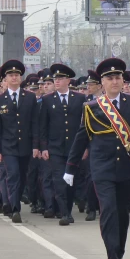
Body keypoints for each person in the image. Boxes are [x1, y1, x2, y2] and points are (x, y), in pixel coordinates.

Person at [64, 58, 130, 259]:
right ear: (102, 82)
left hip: (126, 168)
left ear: (123, 80)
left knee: (122, 212)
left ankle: (119, 252)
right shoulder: (92, 107)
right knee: (109, 210)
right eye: (110, 78)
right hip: (102, 167)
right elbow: (81, 138)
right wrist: (70, 167)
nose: (114, 81)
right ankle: (111, 255)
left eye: (118, 77)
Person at [0, 60, 40, 223]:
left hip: (25, 146)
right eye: (11, 75)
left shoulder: (30, 98)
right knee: (13, 175)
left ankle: (13, 202)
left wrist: (36, 146)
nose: (14, 78)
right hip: (7, 147)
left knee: (22, 176)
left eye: (17, 75)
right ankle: (15, 207)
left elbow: (35, 123)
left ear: (20, 78)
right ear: (6, 78)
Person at [39, 64, 87, 226]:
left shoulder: (80, 99)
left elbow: (86, 125)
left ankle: (67, 207)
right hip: (55, 148)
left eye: (60, 78)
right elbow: (42, 126)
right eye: (55, 79)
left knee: (71, 180)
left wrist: (85, 147)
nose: (57, 81)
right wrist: (43, 147)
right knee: (59, 180)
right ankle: (64, 213)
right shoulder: (47, 100)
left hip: (74, 148)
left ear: (68, 80)